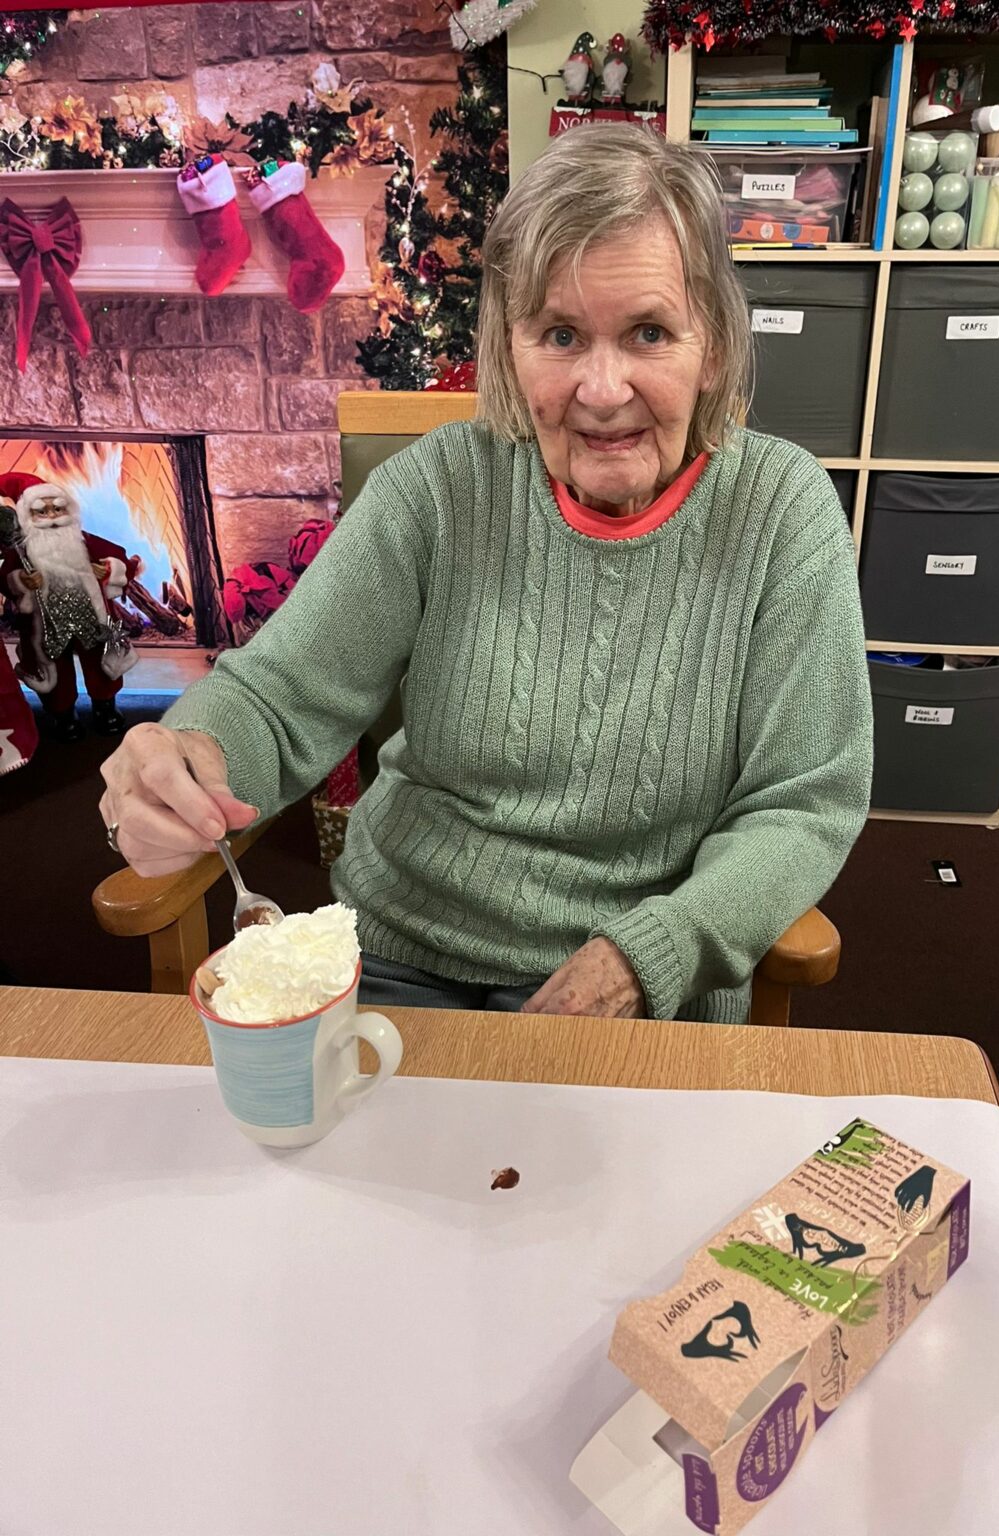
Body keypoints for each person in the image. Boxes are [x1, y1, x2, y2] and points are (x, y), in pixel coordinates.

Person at [99, 124, 872, 1023]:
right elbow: (277, 699)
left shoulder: (782, 510)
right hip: (399, 957)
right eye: (561, 334)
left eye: (650, 332)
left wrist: (648, 955)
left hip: (645, 985)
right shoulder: (437, 488)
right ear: (510, 348)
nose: (603, 389)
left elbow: (804, 803)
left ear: (716, 348)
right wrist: (190, 758)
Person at [0, 471, 141, 741]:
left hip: (90, 617)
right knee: (55, 670)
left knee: (102, 663)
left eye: (58, 509)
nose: (52, 516)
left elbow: (121, 558)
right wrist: (21, 581)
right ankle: (62, 714)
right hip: (46, 624)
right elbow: (5, 578)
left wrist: (108, 569)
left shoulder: (84, 541)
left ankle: (105, 707)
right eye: (42, 512)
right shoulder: (21, 550)